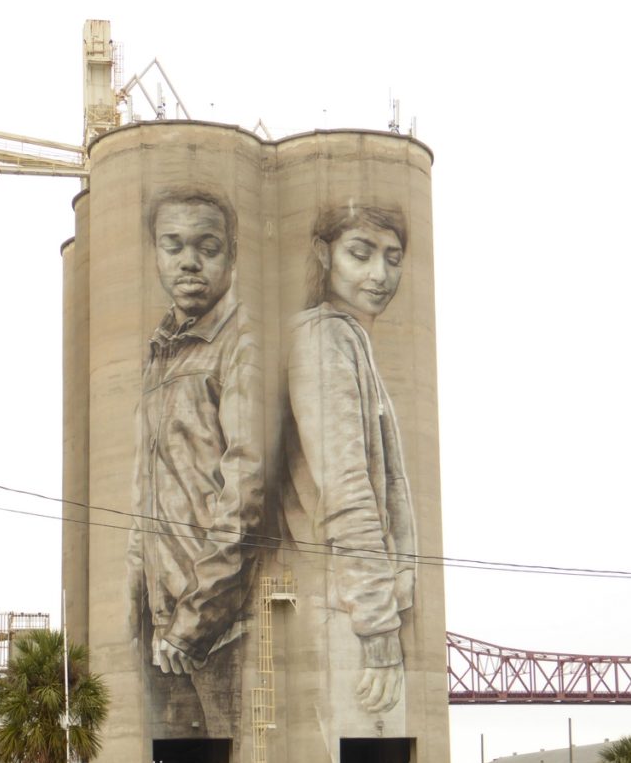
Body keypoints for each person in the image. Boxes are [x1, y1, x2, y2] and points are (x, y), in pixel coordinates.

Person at [281, 203, 416, 714]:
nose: (379, 275)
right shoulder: (324, 337)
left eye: (393, 258)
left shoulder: (350, 339)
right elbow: (346, 489)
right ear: (323, 253)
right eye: (360, 254)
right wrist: (380, 628)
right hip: (346, 614)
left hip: (348, 604)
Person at [127, 189, 264, 686]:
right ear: (155, 253)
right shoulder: (163, 350)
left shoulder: (243, 346)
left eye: (207, 248)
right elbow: (142, 500)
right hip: (164, 632)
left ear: (232, 252)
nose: (189, 262)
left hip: (217, 635)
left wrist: (193, 623)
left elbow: (246, 496)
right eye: (173, 246)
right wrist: (133, 619)